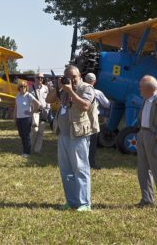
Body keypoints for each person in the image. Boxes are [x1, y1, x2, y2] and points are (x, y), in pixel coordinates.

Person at [46, 65, 99, 212]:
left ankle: (84, 203)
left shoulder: (86, 88)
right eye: (68, 78)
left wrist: (70, 91)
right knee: (66, 170)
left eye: (74, 77)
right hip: (63, 134)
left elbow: (85, 105)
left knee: (81, 169)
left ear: (80, 76)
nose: (71, 80)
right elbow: (48, 100)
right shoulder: (63, 89)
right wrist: (57, 88)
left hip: (78, 134)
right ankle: (72, 201)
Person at [135, 75, 157, 208]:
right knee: (143, 169)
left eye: (141, 87)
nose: (139, 89)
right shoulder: (146, 99)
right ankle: (147, 199)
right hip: (143, 134)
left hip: (153, 137)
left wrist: (156, 136)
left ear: (149, 88)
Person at [84, 73, 110, 169]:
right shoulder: (98, 93)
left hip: (81, 118)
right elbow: (107, 104)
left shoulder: (79, 91)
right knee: (92, 142)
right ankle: (91, 163)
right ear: (95, 81)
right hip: (93, 119)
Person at [15, 81, 40, 157]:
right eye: (21, 87)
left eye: (24, 87)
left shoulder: (28, 95)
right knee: (21, 134)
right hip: (19, 118)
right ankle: (24, 150)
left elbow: (38, 103)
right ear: (18, 88)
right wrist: (14, 116)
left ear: (26, 88)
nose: (22, 88)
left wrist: (32, 112)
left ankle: (27, 152)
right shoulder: (17, 95)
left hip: (26, 119)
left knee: (26, 135)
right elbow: (16, 106)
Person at [30, 73, 50, 154]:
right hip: (35, 112)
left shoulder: (46, 88)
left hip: (44, 112)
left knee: (41, 132)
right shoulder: (31, 88)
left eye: (42, 78)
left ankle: (37, 150)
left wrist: (48, 109)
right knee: (34, 130)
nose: (40, 79)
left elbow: (48, 99)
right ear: (35, 78)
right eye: (38, 77)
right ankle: (29, 148)